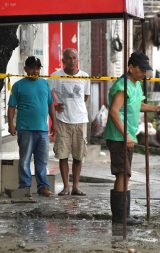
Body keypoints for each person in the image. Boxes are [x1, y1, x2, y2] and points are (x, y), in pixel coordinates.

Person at [104, 52, 160, 225]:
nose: (144, 74)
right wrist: (126, 135)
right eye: (141, 70)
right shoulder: (122, 86)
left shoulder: (136, 84)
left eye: (146, 70)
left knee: (125, 174)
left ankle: (124, 214)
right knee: (122, 173)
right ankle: (120, 217)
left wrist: (155, 108)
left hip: (127, 136)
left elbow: (138, 105)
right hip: (119, 137)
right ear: (131, 68)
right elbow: (114, 112)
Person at [7, 56, 57, 197]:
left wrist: (54, 123)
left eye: (37, 68)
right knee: (25, 160)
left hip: (42, 129)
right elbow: (11, 107)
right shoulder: (18, 86)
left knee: (42, 161)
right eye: (32, 68)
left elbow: (50, 104)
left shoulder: (44, 84)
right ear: (25, 69)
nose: (35, 71)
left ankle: (43, 187)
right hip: (25, 129)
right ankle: (25, 187)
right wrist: (11, 124)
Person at [48, 48, 90, 196]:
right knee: (63, 155)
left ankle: (75, 187)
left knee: (79, 156)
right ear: (63, 60)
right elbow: (47, 97)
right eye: (69, 58)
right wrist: (54, 106)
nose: (72, 61)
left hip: (80, 121)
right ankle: (66, 187)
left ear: (77, 59)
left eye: (74, 58)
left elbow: (85, 97)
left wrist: (75, 108)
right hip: (62, 121)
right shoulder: (55, 76)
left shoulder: (84, 76)